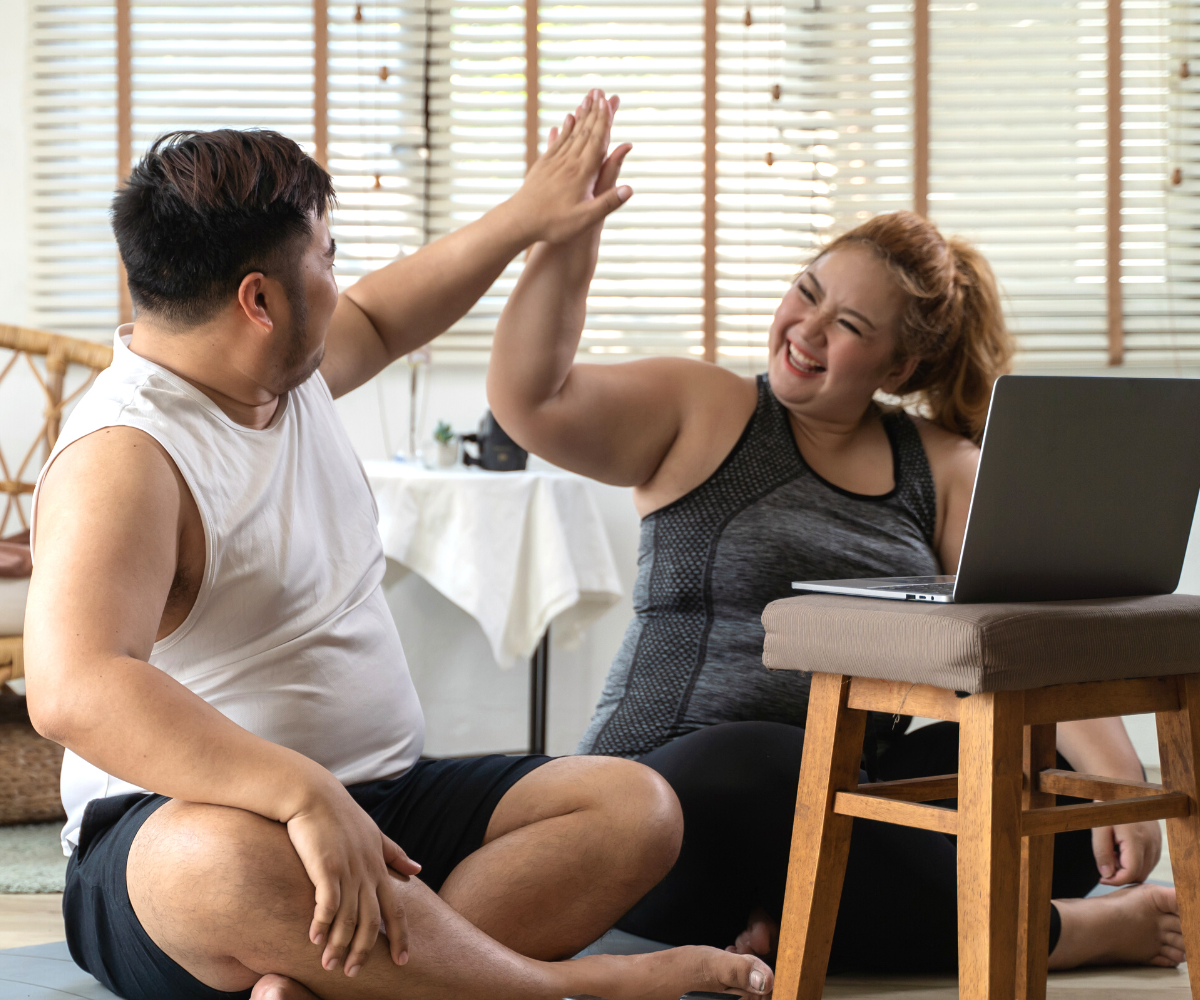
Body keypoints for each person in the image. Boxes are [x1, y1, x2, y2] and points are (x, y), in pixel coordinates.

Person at [22, 95, 774, 1000]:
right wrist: (298, 793)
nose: (341, 284)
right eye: (328, 261)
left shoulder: (272, 370)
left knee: (634, 807)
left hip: (385, 800)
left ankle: (347, 981)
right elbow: (74, 688)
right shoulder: (128, 454)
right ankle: (561, 989)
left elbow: (383, 319)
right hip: (186, 835)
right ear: (259, 301)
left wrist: (532, 218)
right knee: (213, 862)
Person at [487, 88, 1185, 975]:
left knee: (1026, 755)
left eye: (848, 326)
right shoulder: (708, 411)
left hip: (842, 804)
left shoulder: (942, 466)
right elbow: (529, 399)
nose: (805, 330)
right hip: (663, 806)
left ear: (898, 364)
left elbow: (1027, 630)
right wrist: (568, 235)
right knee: (777, 762)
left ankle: (805, 922)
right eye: (806, 294)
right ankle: (1053, 936)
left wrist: (1115, 786)